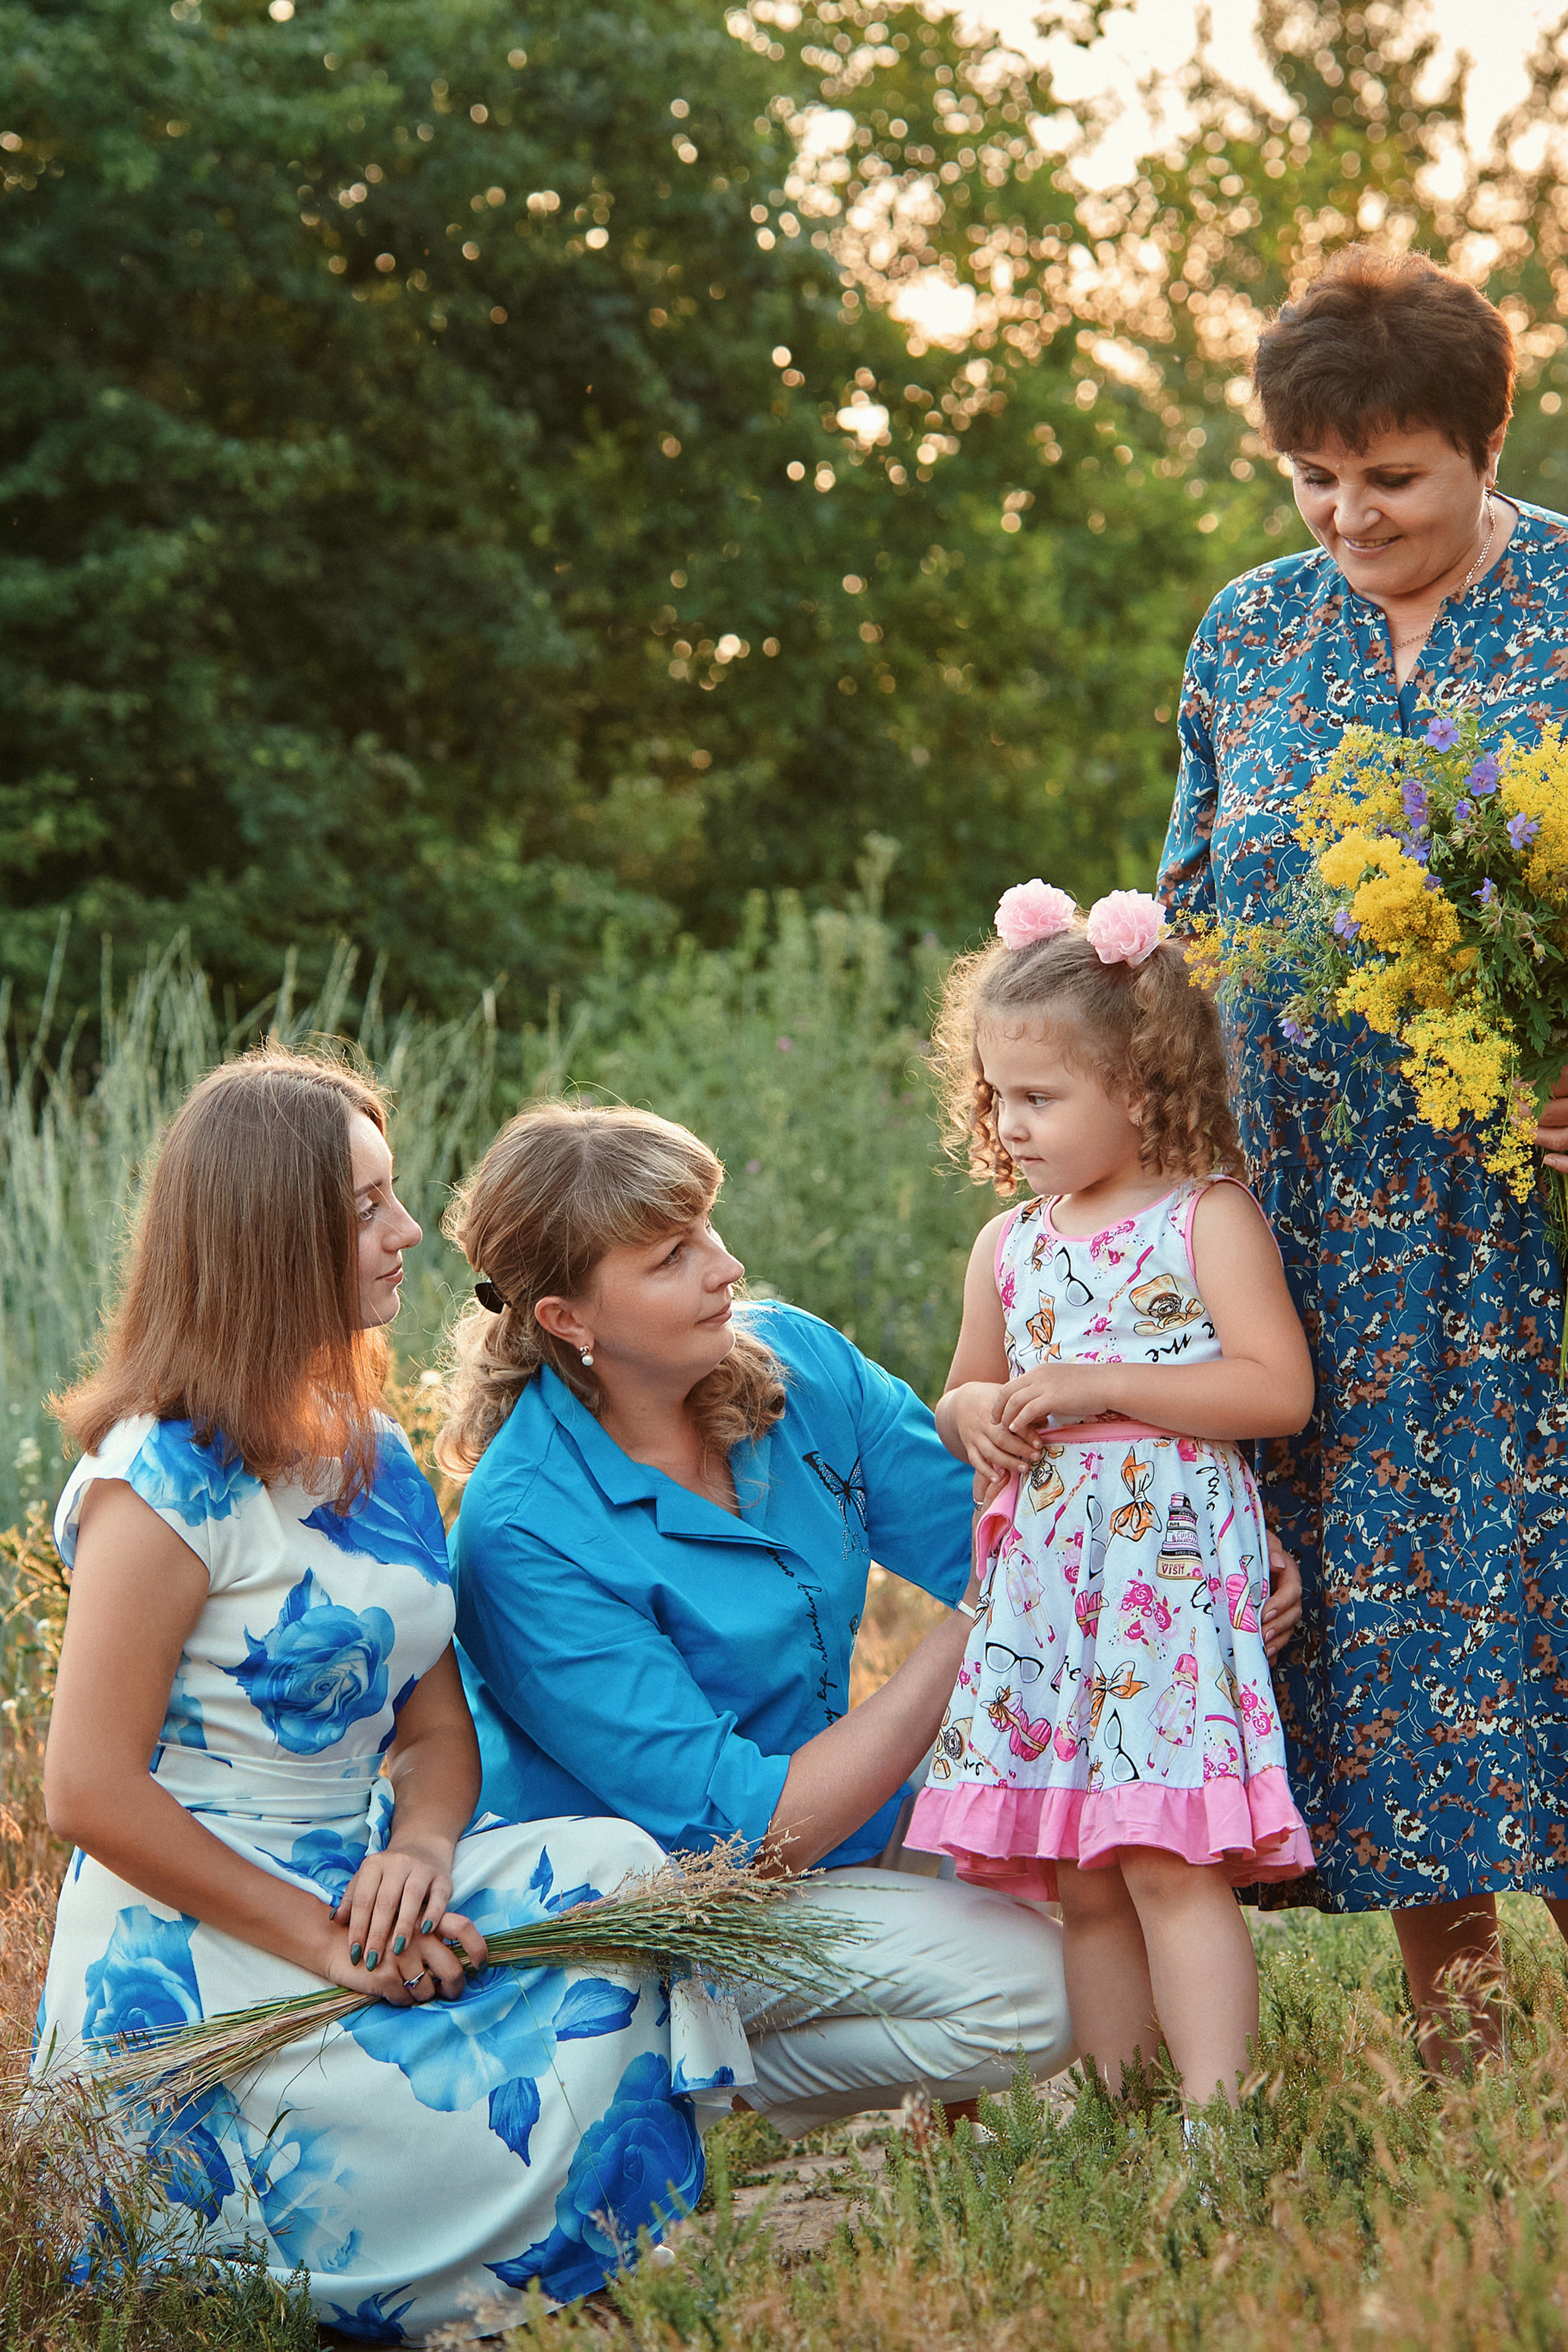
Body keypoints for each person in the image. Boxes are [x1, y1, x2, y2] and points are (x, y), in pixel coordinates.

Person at [36, 1049, 748, 2339]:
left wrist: (418, 1848)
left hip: (359, 1883)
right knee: (430, 2075)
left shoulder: (371, 1449)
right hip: (196, 1936)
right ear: (271, 1234)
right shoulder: (160, 1481)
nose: (408, 1233)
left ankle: (541, 2221)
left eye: (391, 1195)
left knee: (621, 1869)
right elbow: (84, 1788)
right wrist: (322, 1943)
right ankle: (431, 2262)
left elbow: (433, 1735)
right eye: (366, 1207)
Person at [1159, 243, 1568, 2068]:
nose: (1347, 512)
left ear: (1486, 442)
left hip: (1537, 1224)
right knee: (1398, 1636)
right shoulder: (1247, 634)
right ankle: (1470, 2077)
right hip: (1317, 1241)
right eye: (1312, 477)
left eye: (1389, 475)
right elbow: (1182, 914)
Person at [442, 1101, 1076, 2138]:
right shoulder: (524, 1534)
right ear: (567, 1319)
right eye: (671, 1256)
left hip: (832, 1821)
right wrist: (968, 1629)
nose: (725, 1267)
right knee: (1039, 1993)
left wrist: (1208, 1568)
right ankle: (672, 2085)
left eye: (710, 1227)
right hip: (659, 1915)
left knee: (1103, 1838)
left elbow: (993, 1539)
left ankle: (939, 2104)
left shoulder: (797, 1364)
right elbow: (743, 1835)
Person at [903, 881, 1313, 2113]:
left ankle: (1214, 2114)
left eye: (1039, 1097)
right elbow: (963, 1392)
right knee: (1078, 1865)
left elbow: (1273, 1390)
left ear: (1137, 1089)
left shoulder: (1204, 1219)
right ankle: (1117, 2102)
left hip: (1160, 1567)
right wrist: (974, 1412)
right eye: (994, 1096)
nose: (1008, 1124)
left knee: (1158, 1852)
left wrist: (1097, 1380)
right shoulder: (1009, 1245)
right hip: (1047, 1579)